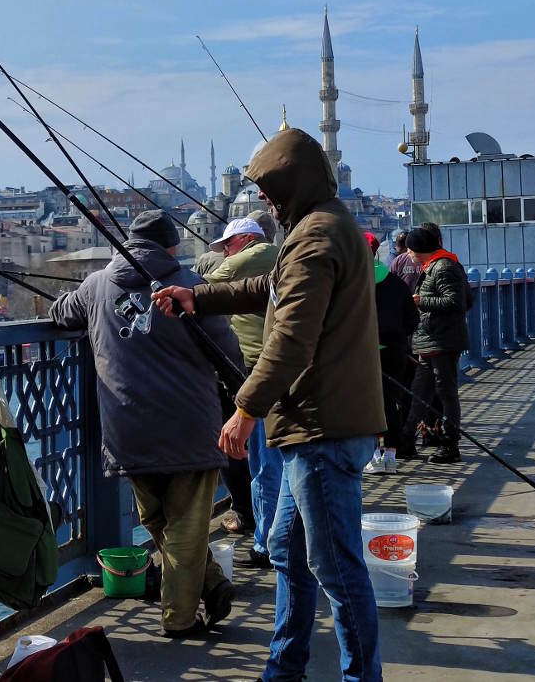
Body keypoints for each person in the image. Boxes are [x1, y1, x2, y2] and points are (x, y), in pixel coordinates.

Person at [151, 129, 385, 682]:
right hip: (318, 425)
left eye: (273, 192)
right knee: (285, 547)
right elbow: (269, 287)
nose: (268, 203)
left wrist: (246, 409)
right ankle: (284, 669)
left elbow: (292, 341)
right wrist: (197, 295)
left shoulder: (316, 237)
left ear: (295, 185)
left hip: (319, 428)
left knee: (337, 571)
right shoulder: (321, 228)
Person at [48, 209, 241, 637]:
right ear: (172, 247)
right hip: (189, 427)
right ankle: (180, 619)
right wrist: (245, 400)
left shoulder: (97, 285)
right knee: (187, 524)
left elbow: (63, 311)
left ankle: (210, 584)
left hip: (126, 428)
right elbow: (227, 355)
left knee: (157, 518)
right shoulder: (193, 287)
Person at [203, 216, 281, 569]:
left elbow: (205, 286)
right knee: (269, 457)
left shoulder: (254, 255)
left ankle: (267, 544)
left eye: (229, 246)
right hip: (274, 367)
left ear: (247, 239)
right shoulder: (277, 255)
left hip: (256, 369)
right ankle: (274, 532)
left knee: (263, 461)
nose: (225, 254)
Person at [396, 226, 471, 464]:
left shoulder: (445, 267)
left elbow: (455, 302)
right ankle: (406, 441)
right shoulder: (434, 266)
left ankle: (450, 444)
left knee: (446, 393)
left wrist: (421, 301)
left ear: (421, 249)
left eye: (411, 249)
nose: (408, 254)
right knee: (420, 392)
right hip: (429, 341)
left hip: (442, 341)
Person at [364, 232, 420, 474]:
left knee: (369, 405)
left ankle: (374, 455)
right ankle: (392, 456)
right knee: (392, 402)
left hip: (363, 352)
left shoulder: (353, 283)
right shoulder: (396, 283)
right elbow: (412, 319)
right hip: (394, 351)